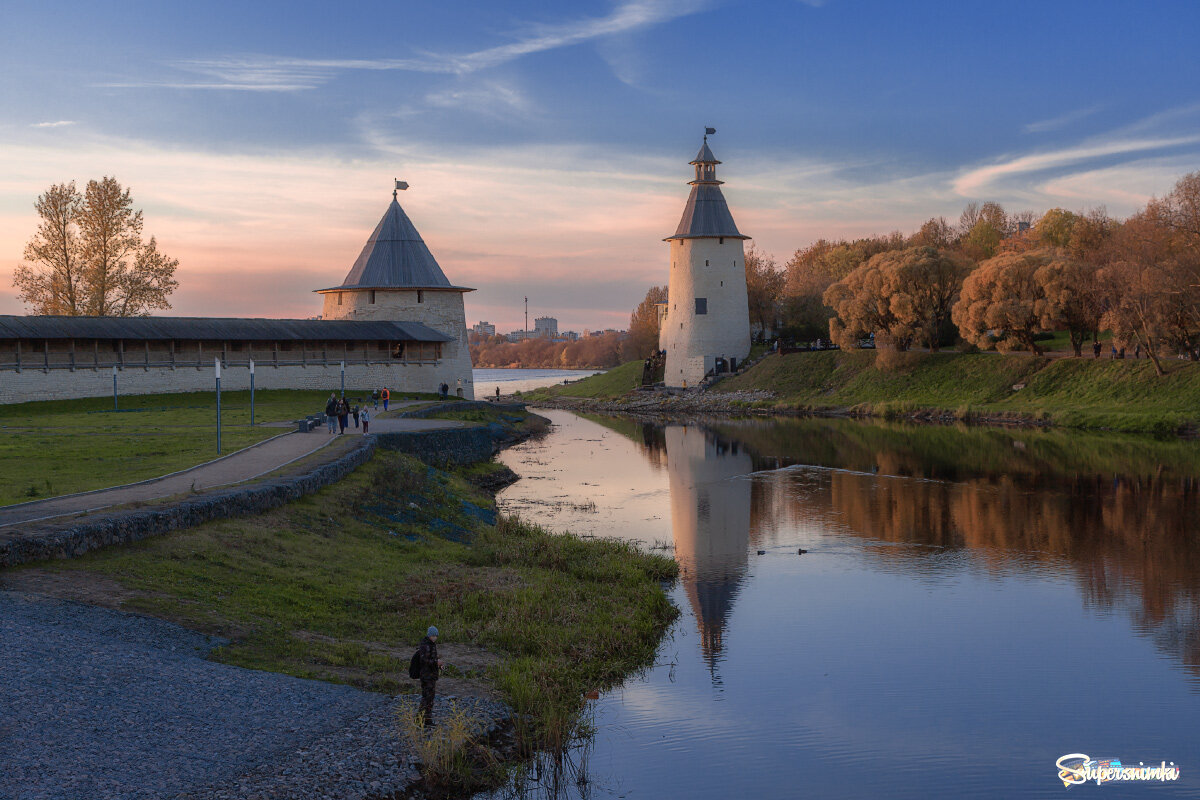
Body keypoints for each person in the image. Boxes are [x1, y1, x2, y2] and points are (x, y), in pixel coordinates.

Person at [417, 625, 443, 727]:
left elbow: (431, 661)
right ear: (429, 635)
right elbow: (424, 661)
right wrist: (436, 663)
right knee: (427, 698)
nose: (435, 637)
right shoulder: (425, 646)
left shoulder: (431, 645)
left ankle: (426, 720)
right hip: (426, 676)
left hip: (431, 675)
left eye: (436, 636)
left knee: (430, 698)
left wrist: (439, 666)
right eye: (433, 636)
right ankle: (420, 720)